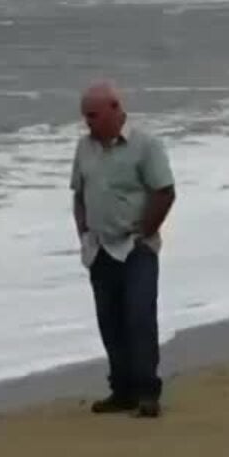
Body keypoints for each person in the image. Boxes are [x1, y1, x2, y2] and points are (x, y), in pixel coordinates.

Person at [70, 80, 176, 418]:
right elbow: (78, 194)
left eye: (93, 115)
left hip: (135, 248)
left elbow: (165, 191)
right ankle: (122, 390)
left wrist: (146, 231)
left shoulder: (146, 145)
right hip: (100, 248)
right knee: (110, 320)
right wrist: (83, 233)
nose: (88, 122)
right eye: (86, 116)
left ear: (115, 109)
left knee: (139, 316)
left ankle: (147, 393)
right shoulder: (84, 148)